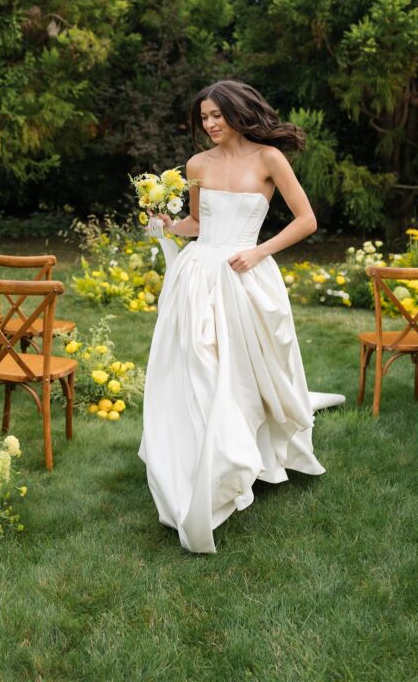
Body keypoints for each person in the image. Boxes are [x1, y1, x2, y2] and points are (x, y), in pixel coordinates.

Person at [138, 79, 345, 554]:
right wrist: (167, 225)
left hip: (245, 274)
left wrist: (258, 252)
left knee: (247, 372)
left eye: (216, 115)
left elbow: (306, 220)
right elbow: (197, 225)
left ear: (237, 112)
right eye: (203, 118)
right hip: (198, 276)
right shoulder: (196, 165)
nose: (209, 124)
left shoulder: (269, 159)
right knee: (197, 367)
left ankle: (245, 450)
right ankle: (200, 460)